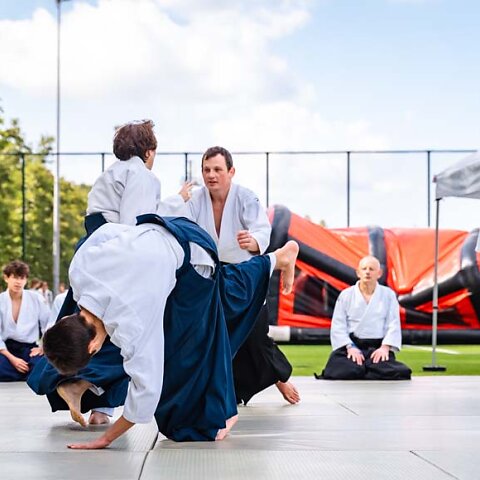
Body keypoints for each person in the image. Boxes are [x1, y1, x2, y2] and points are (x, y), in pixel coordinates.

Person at [36, 214, 299, 449]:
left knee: (195, 346)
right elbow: (104, 232)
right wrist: (136, 246)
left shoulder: (131, 321)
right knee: (221, 298)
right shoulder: (79, 271)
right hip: (164, 225)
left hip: (194, 252)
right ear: (67, 318)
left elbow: (146, 391)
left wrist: (105, 439)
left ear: (93, 347)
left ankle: (218, 412)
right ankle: (276, 259)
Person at [31, 120, 191, 426]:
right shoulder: (142, 175)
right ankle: (87, 393)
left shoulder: (111, 173)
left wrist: (173, 200)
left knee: (84, 334)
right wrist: (177, 203)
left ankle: (93, 398)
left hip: (93, 254)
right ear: (148, 151)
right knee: (128, 334)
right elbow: (137, 226)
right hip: (117, 259)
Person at [184, 146, 299, 405]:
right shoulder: (194, 200)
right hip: (211, 276)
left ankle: (279, 378)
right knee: (216, 337)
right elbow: (182, 227)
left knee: (255, 336)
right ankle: (223, 390)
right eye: (206, 170)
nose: (211, 175)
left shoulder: (246, 197)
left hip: (245, 274)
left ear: (231, 171)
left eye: (217, 169)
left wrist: (254, 241)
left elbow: (262, 229)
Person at [318, 255, 411, 380]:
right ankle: (367, 369)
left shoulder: (388, 295)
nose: (367, 272)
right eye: (364, 269)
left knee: (397, 371)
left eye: (371, 269)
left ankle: (365, 368)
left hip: (377, 347)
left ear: (379, 273)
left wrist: (384, 348)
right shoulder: (346, 295)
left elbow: (393, 324)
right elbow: (338, 325)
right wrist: (350, 348)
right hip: (351, 346)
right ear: (358, 272)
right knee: (342, 369)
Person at [0, 261, 50, 381]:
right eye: (14, 277)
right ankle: (26, 374)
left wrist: (43, 347)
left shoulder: (36, 298)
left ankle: (18, 374)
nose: (18, 282)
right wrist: (12, 359)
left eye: (22, 278)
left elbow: (48, 324)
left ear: (26, 280)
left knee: (43, 364)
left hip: (29, 349)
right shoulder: (1, 300)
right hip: (6, 350)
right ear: (6, 278)